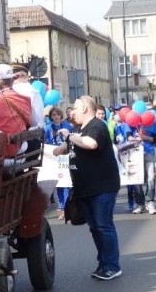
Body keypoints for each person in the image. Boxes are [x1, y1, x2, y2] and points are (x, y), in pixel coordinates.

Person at [53, 95, 122, 280]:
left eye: (75, 108)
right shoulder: (78, 129)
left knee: (103, 226)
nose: (72, 112)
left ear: (84, 108)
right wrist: (60, 148)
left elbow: (91, 144)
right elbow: (71, 145)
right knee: (94, 227)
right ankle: (103, 263)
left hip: (102, 186)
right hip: (85, 187)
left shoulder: (97, 126)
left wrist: (69, 136)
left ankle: (112, 266)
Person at [45, 107, 72, 220]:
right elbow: (46, 142)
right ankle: (62, 207)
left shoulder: (67, 126)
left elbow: (71, 140)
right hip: (54, 158)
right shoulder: (47, 128)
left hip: (66, 157)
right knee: (59, 184)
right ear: (51, 116)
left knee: (67, 184)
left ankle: (65, 208)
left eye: (58, 115)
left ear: (61, 116)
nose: (56, 117)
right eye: (54, 115)